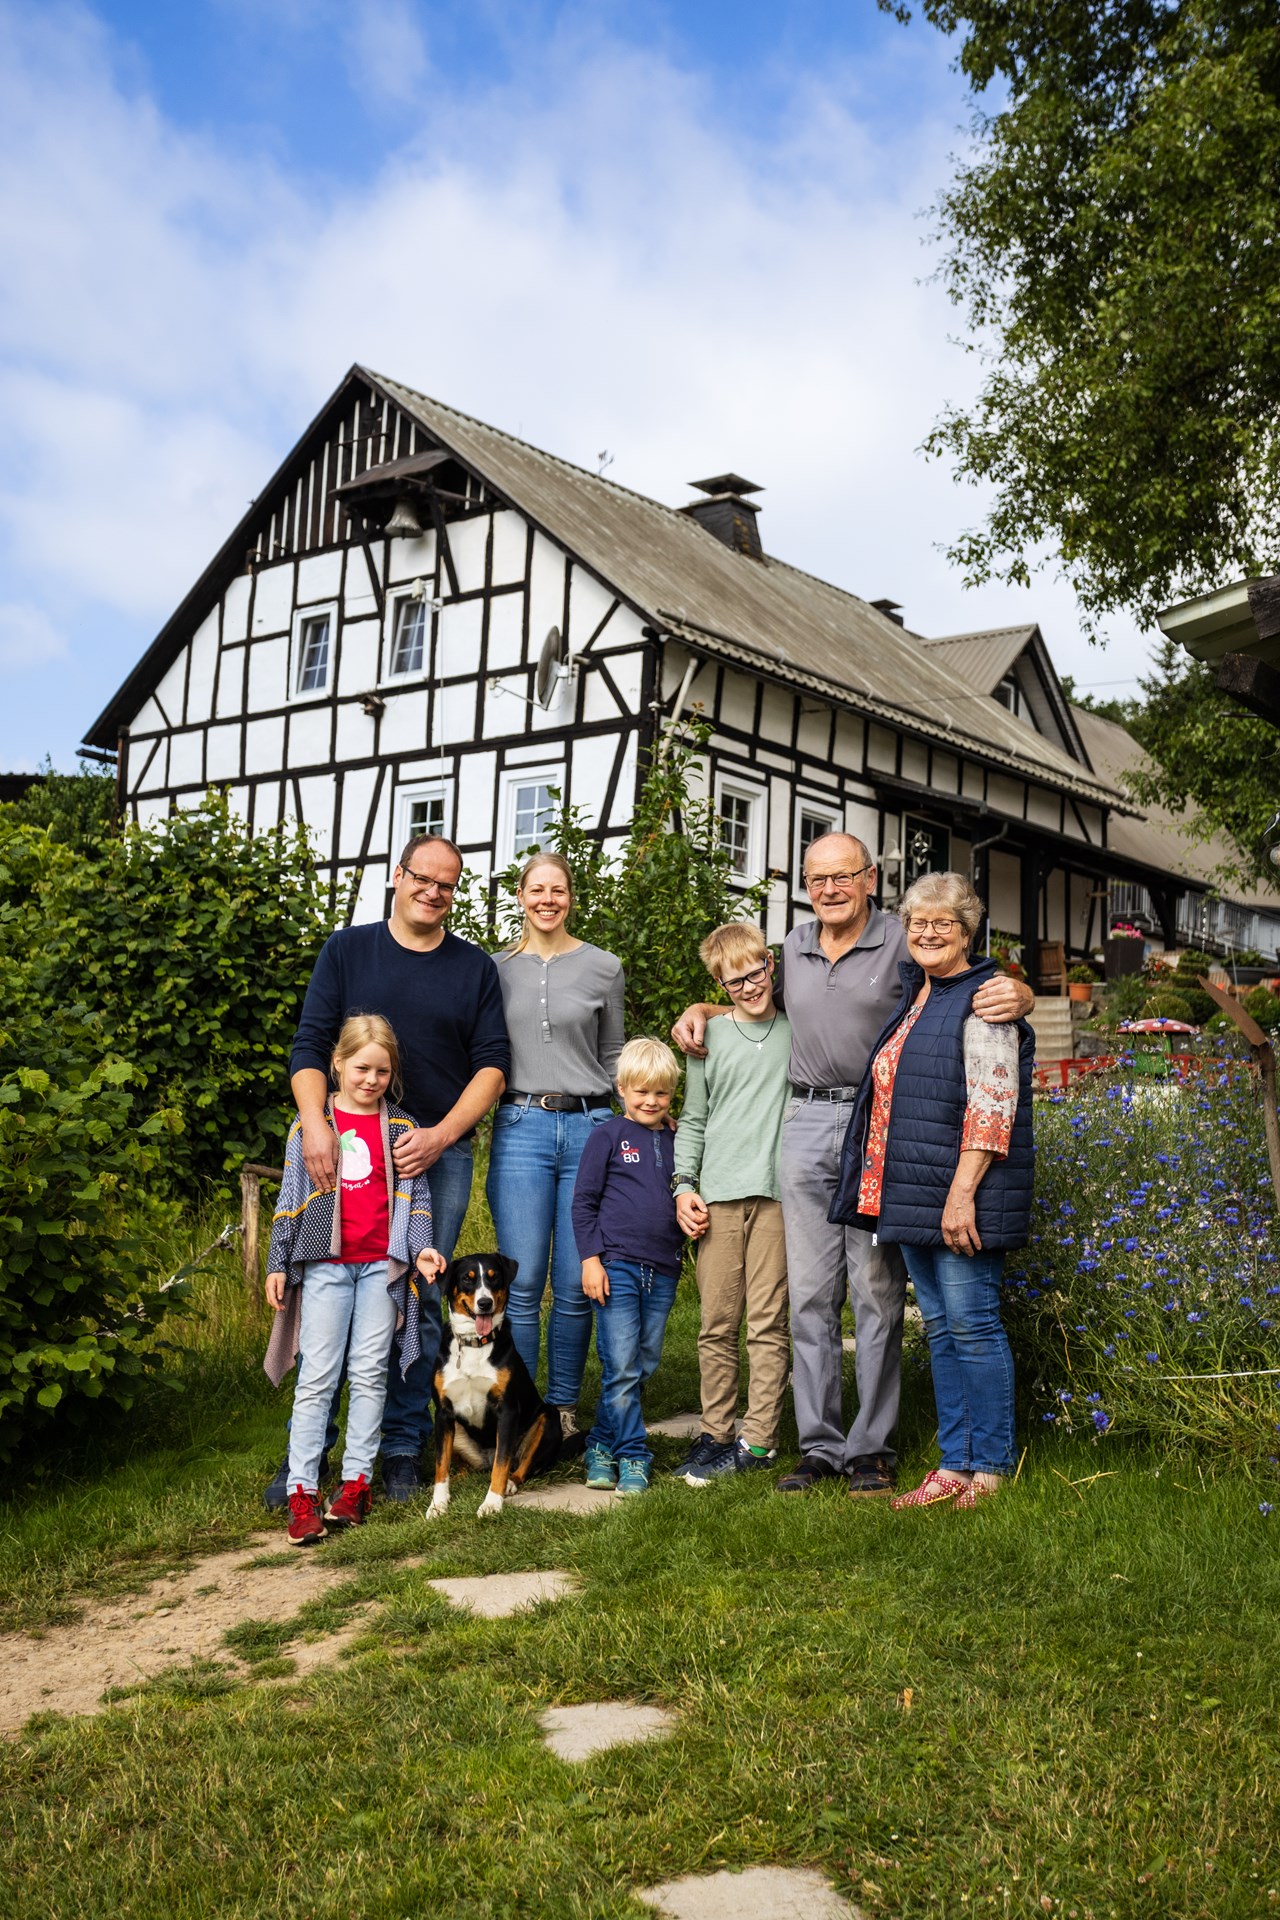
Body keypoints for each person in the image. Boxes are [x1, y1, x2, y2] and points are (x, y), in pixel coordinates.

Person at [672, 833, 1032, 1499]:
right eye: (818, 878)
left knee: (875, 1291)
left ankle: (872, 1448)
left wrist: (1023, 993)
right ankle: (819, 1446)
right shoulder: (794, 947)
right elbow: (760, 1005)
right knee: (810, 1295)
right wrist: (702, 1008)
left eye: (844, 876)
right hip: (804, 1122)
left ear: (869, 879)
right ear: (806, 885)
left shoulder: (903, 937)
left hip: (877, 1127)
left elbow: (967, 980)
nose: (830, 889)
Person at [266, 833, 510, 1506]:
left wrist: (441, 1136)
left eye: (447, 884)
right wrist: (316, 1126)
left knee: (417, 1298)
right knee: (324, 1292)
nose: (433, 892)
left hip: (434, 1157)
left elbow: (493, 1065)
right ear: (396, 876)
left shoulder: (473, 968)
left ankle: (401, 1448)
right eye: (422, 878)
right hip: (345, 1148)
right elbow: (309, 1045)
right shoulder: (348, 949)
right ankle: (308, 1453)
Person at [829, 873, 1032, 1508]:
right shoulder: (917, 993)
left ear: (968, 933)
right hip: (913, 1191)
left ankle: (990, 1467)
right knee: (942, 1328)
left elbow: (992, 1108)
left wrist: (962, 1193)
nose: (928, 932)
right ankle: (954, 1463)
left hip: (961, 1193)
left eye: (944, 923)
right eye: (918, 922)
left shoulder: (986, 999)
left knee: (973, 1326)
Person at [263, 1015, 446, 1546]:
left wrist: (422, 1248)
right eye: (362, 1068)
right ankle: (302, 1492)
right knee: (318, 1376)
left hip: (382, 1270)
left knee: (369, 1373)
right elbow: (290, 1197)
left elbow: (417, 1201)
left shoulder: (402, 1129)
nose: (372, 1079)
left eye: (382, 1071)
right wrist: (278, 1262)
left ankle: (356, 1486)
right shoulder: (312, 1126)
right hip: (326, 1265)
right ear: (337, 1064)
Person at [487, 853, 624, 1435]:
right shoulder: (493, 969)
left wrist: (636, 1120)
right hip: (521, 1128)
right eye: (537, 889)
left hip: (591, 1127)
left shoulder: (604, 966)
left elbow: (613, 1053)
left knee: (573, 1284)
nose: (548, 900)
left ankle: (563, 1410)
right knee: (519, 1283)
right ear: (520, 896)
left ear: (571, 897)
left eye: (558, 890)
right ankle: (521, 1412)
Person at [671, 922, 792, 1484]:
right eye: (734, 981)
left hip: (777, 1197)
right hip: (718, 1195)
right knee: (716, 1323)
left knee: (767, 1322)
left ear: (770, 964)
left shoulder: (797, 1028)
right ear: (720, 985)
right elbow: (694, 1119)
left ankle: (759, 1438)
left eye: (756, 972)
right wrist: (683, 1186)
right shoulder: (708, 1040)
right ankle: (715, 1432)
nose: (749, 986)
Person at [571, 1037, 686, 1497]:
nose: (651, 1101)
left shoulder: (677, 1139)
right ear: (621, 1089)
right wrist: (590, 1260)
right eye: (641, 1092)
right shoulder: (607, 1136)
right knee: (621, 1364)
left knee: (643, 1362)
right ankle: (634, 1455)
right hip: (615, 1265)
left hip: (664, 1268)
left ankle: (600, 1443)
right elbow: (583, 1202)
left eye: (661, 1093)